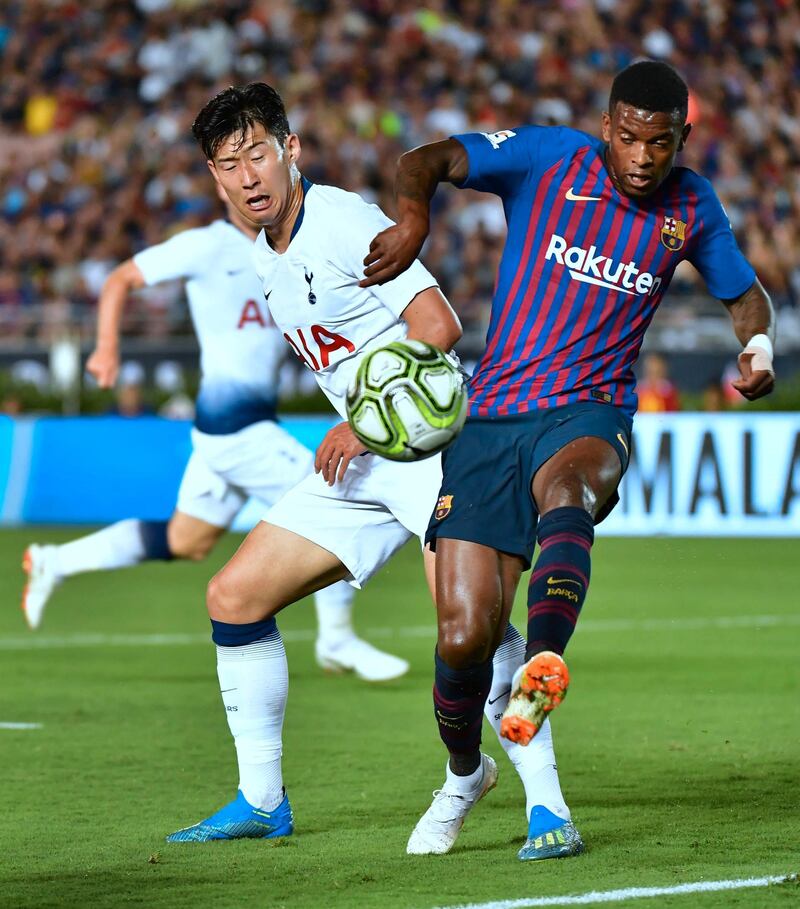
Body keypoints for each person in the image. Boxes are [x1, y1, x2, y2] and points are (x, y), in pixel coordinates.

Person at [360, 60, 776, 857]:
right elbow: (426, 159)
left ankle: (545, 656)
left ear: (682, 138)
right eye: (629, 138)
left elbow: (744, 292)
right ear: (607, 126)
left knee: (573, 488)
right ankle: (463, 774)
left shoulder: (693, 206)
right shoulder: (549, 157)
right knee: (461, 639)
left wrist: (755, 345)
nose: (644, 157)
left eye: (660, 142)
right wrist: (414, 218)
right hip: (490, 420)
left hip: (591, 410)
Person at [166, 83, 577, 861]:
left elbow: (438, 325)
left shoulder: (343, 222)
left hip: (433, 446)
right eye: (229, 164)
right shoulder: (263, 251)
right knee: (233, 595)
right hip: (365, 464)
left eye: (259, 153)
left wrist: (363, 420)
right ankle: (262, 800)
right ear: (216, 179)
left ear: (291, 150)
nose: (249, 175)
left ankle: (546, 806)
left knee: (475, 633)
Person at [21, 183, 409, 684]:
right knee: (333, 493)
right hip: (237, 429)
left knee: (187, 539)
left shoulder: (288, 249)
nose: (249, 186)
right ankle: (337, 639)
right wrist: (106, 348)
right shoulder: (207, 245)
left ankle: (56, 561)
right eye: (232, 175)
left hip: (233, 427)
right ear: (222, 191)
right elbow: (120, 278)